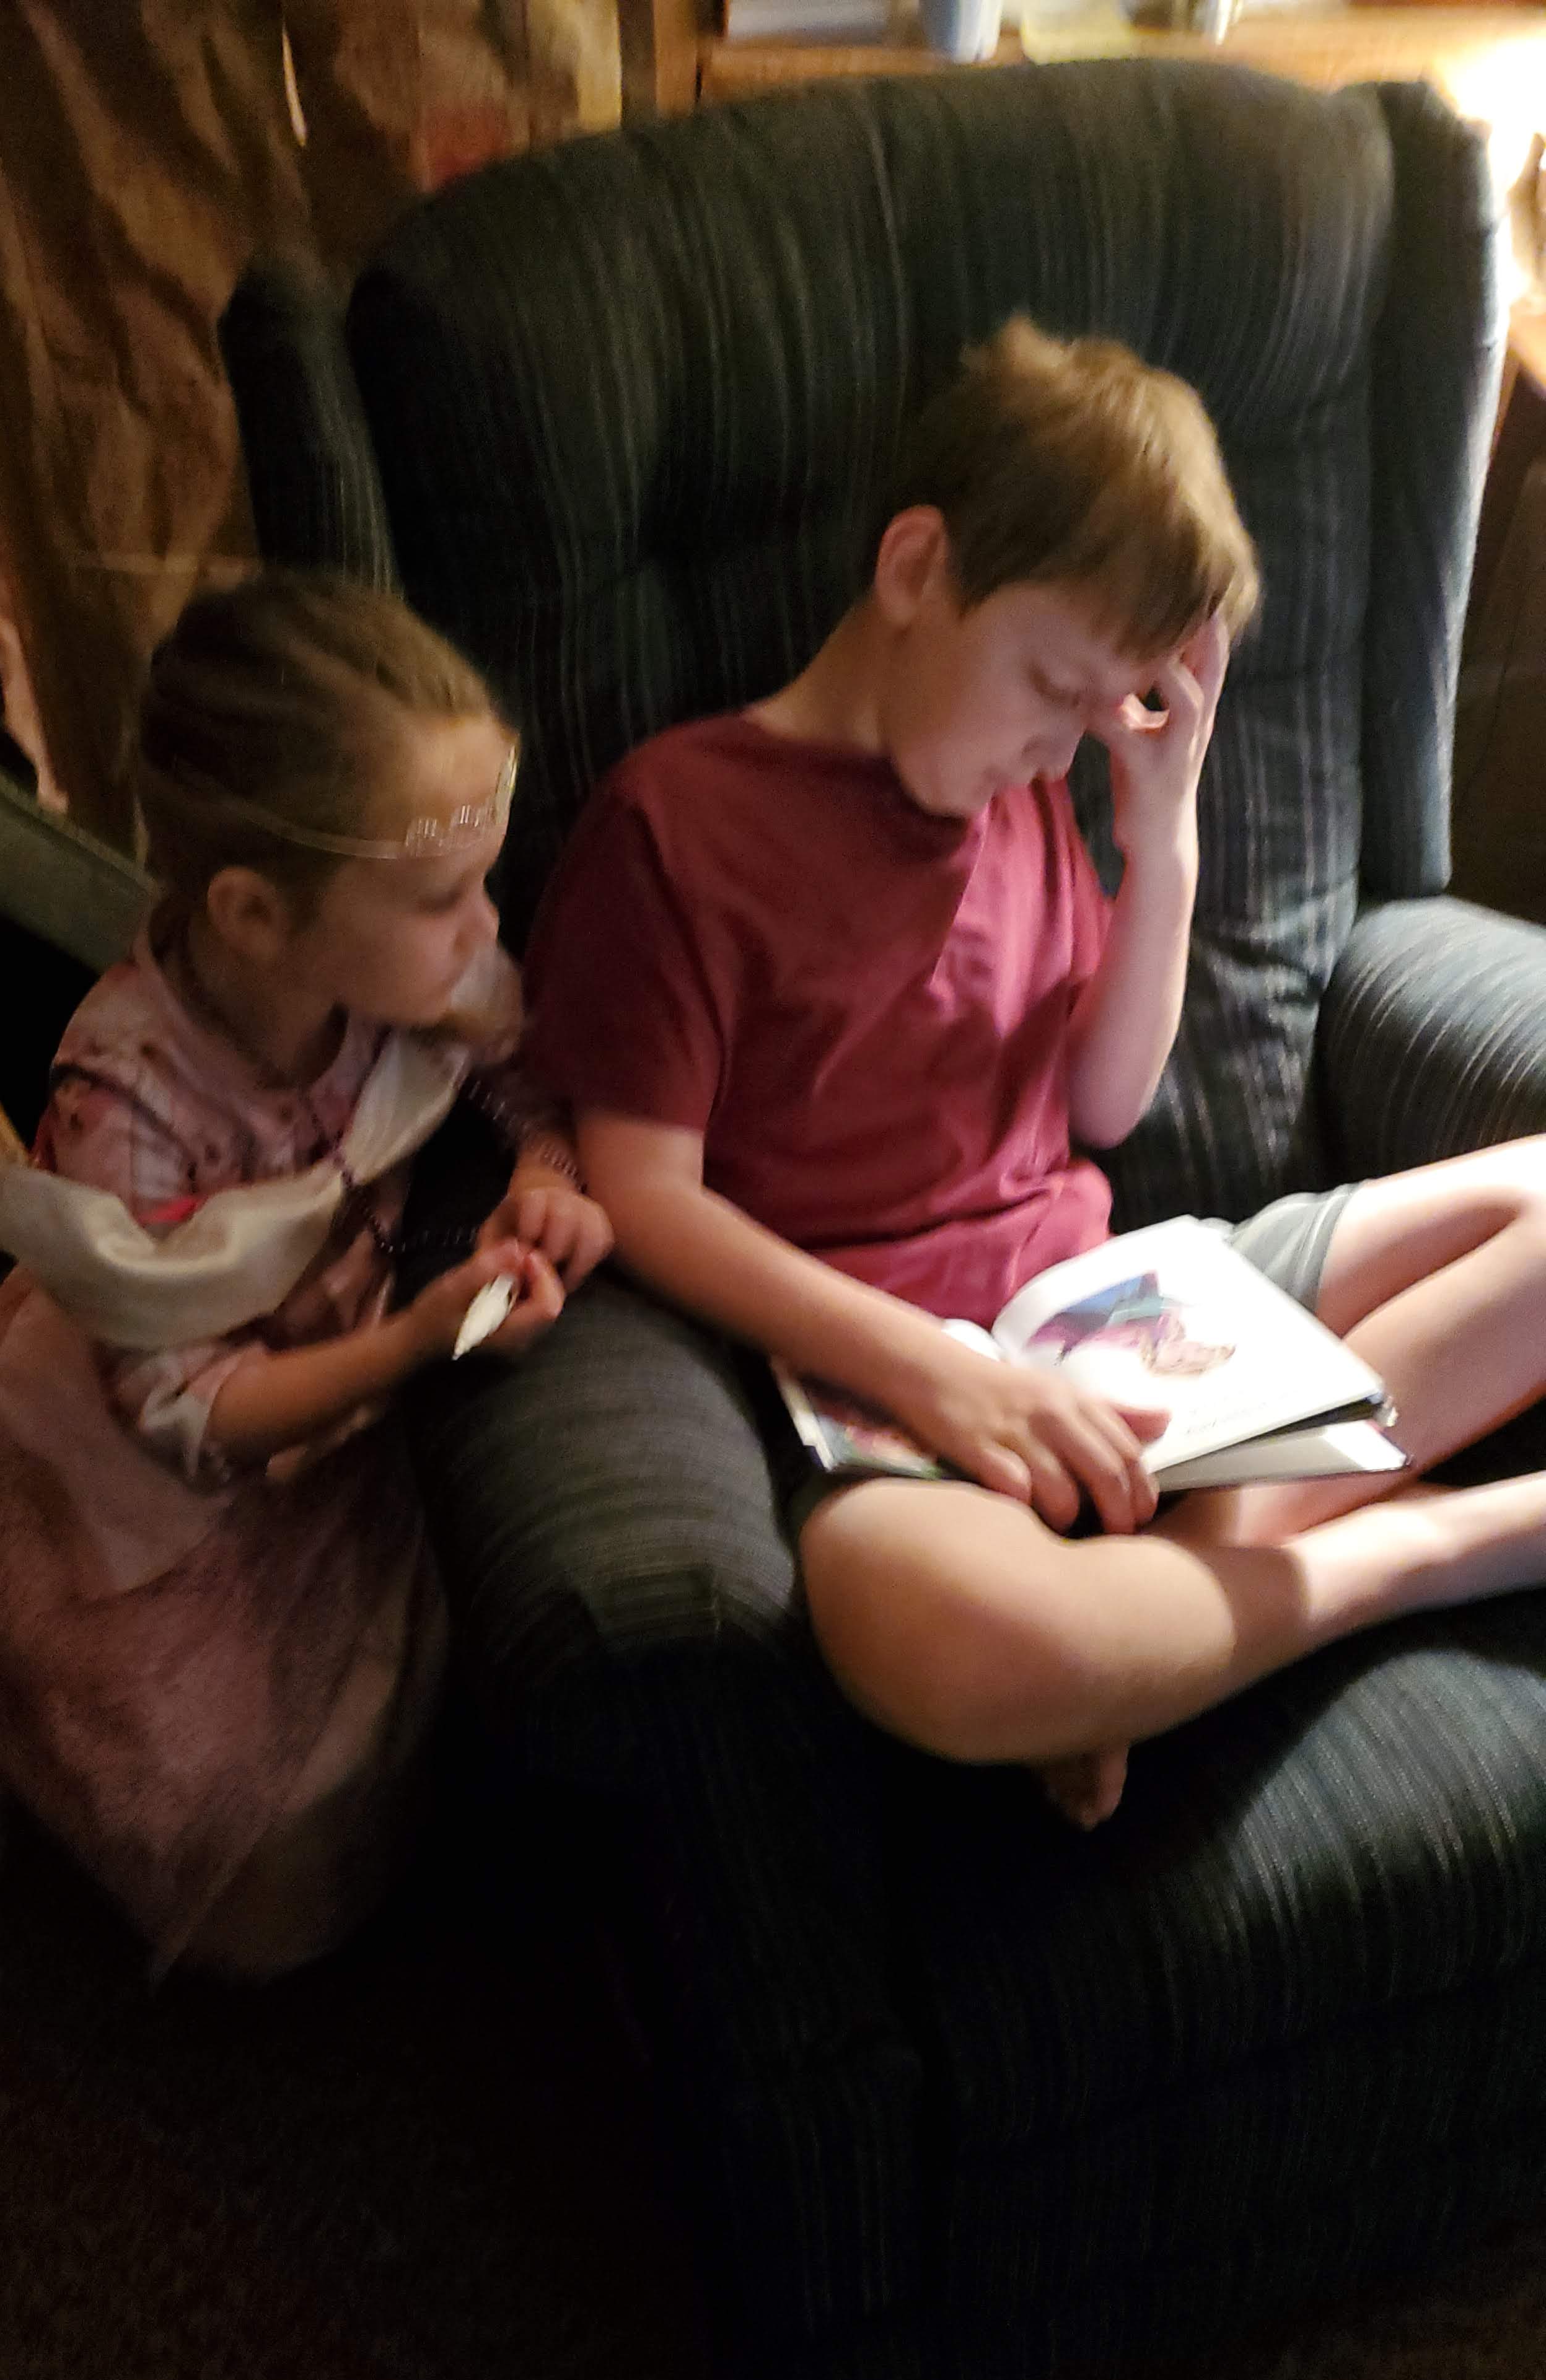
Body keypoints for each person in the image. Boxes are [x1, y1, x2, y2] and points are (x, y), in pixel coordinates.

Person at [520, 314, 1546, 1829]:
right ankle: (1427, 1547)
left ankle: (1154, 1620)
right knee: (946, 1637)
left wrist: (1162, 824)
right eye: (1052, 684)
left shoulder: (1028, 800)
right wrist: (935, 1375)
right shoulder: (676, 826)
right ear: (916, 567)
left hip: (1124, 1316)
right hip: (892, 1389)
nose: (1061, 750)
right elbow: (644, 1195)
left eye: (1099, 710)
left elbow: (1102, 1107)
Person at [0, 570, 612, 1975]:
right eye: (444, 895)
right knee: (263, 1906)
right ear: (252, 914)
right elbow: (182, 1412)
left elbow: (513, 1065)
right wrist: (413, 1344)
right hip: (157, 1442)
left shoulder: (417, 968)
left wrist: (544, 1168)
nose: (487, 928)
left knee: (425, 1758)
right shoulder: (126, 1104)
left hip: (331, 1358)